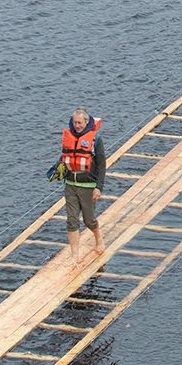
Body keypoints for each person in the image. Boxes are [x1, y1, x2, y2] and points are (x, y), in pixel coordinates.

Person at [59, 109, 106, 260]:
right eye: (75, 122)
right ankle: (75, 255)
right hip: (71, 184)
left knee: (89, 220)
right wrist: (57, 170)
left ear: (86, 122)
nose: (77, 126)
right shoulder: (69, 136)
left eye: (80, 123)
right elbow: (65, 156)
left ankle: (98, 238)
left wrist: (98, 187)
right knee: (71, 220)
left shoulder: (96, 139)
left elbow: (101, 165)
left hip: (88, 185)